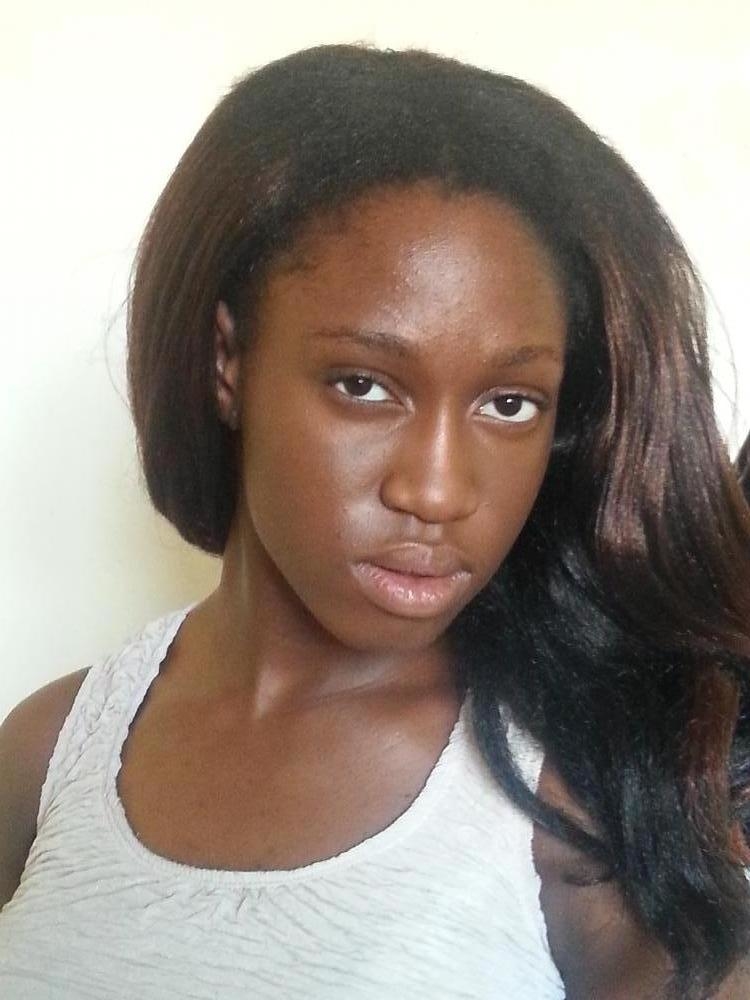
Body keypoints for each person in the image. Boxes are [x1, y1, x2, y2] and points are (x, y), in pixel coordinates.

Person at [1, 42, 749, 1000]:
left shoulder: (584, 793)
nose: (435, 492)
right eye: (364, 385)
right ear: (229, 362)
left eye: (509, 403)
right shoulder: (51, 750)